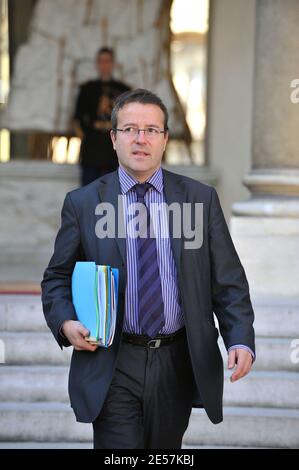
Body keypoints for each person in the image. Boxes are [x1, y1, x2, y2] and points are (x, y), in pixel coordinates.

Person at [41, 88, 255, 449]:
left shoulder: (199, 200)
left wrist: (240, 338)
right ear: (113, 138)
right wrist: (65, 321)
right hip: (114, 361)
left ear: (165, 138)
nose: (141, 139)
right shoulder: (83, 203)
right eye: (129, 129)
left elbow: (228, 280)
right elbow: (57, 278)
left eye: (152, 130)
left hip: (177, 360)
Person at [73, 47, 130, 186]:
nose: (104, 64)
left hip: (116, 153)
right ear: (97, 64)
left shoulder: (123, 90)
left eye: (107, 60)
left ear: (113, 63)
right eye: (101, 61)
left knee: (115, 197)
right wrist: (87, 135)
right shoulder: (87, 89)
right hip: (91, 151)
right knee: (88, 196)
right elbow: (78, 117)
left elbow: (131, 120)